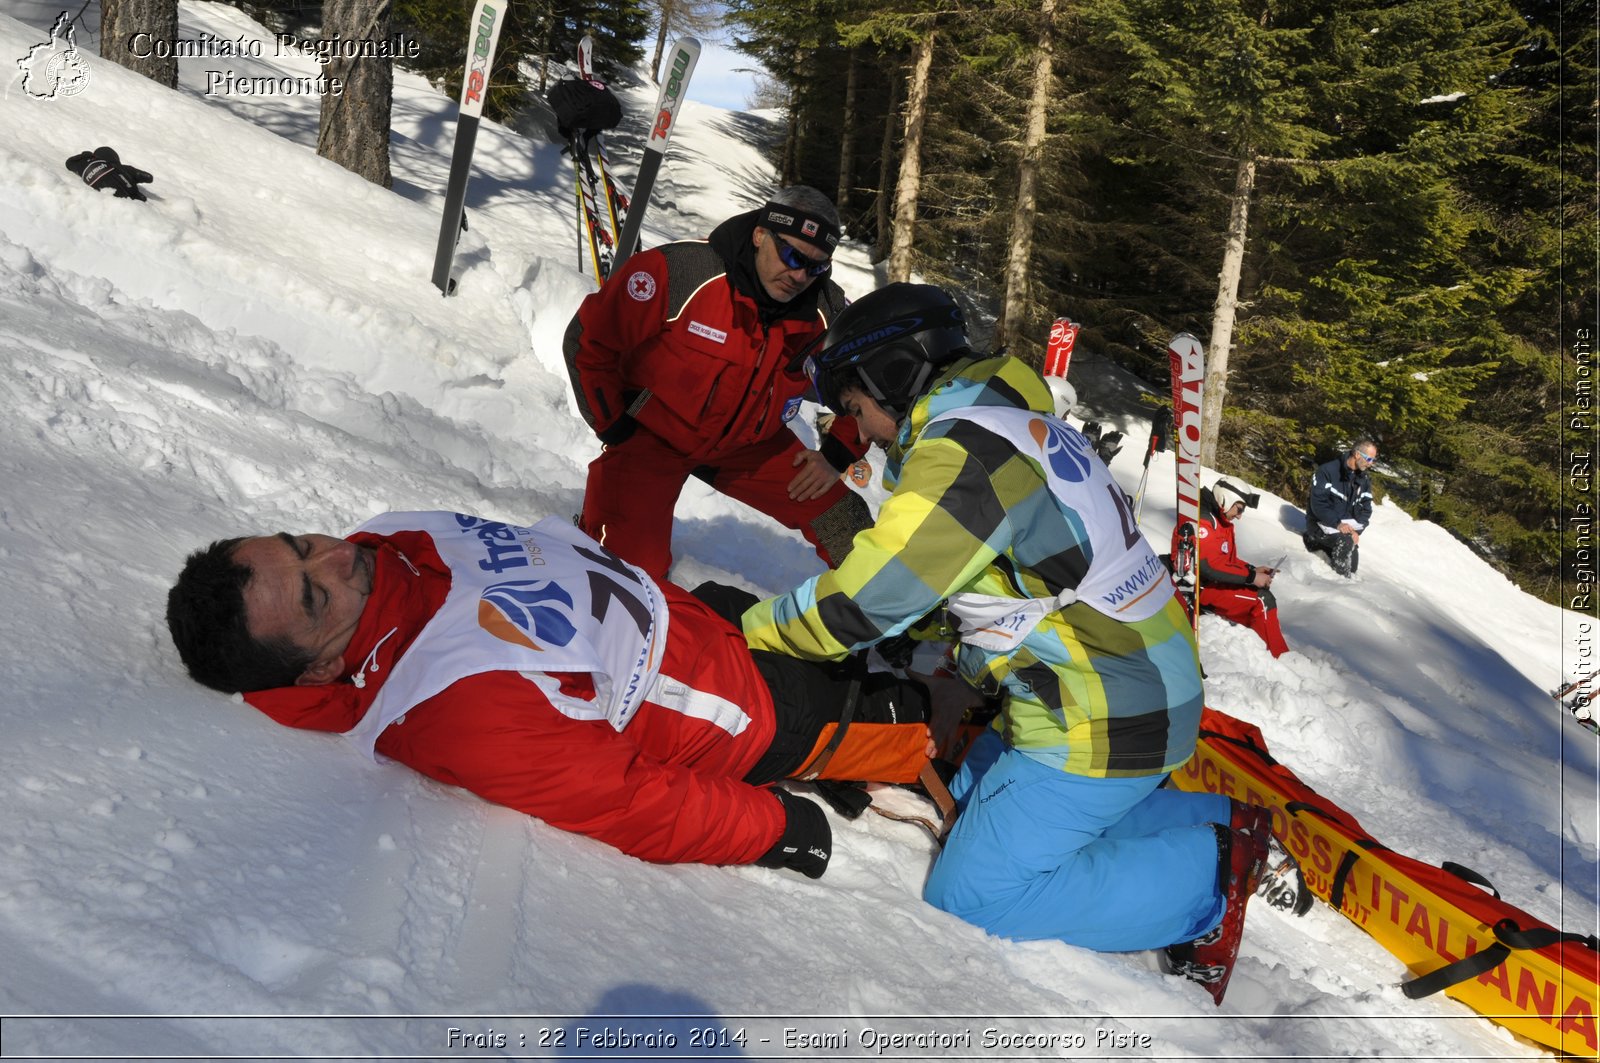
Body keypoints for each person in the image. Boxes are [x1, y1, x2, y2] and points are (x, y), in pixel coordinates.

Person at [740, 283, 1307, 1004]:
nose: (866, 432)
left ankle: (1209, 879)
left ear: (890, 375)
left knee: (973, 889)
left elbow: (865, 600)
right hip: (1127, 689)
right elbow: (996, 587)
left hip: (1105, 714)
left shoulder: (965, 451)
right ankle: (1228, 824)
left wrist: (750, 635)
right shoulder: (1008, 419)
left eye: (857, 408)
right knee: (974, 801)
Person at [164, 511, 946, 879]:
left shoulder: (396, 536)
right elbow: (628, 800)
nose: (337, 556)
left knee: (897, 641)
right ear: (313, 673)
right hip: (762, 716)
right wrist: (775, 825)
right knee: (928, 723)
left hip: (720, 619)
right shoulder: (451, 706)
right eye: (313, 597)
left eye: (302, 545)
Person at [562, 184, 872, 579]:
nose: (799, 276)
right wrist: (613, 424)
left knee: (843, 521)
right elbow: (589, 340)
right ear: (762, 234)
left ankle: (889, 616)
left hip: (750, 449)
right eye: (792, 256)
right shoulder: (682, 272)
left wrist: (836, 454)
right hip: (654, 438)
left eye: (816, 267)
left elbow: (869, 389)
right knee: (629, 575)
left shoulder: (824, 312)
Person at [1180, 480, 1290, 657]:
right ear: (1225, 499)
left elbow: (1226, 560)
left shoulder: (1220, 520)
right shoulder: (1204, 521)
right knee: (1262, 599)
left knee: (1259, 595)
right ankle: (1279, 656)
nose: (1239, 516)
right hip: (1201, 587)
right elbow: (1207, 566)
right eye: (1239, 509)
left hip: (1214, 584)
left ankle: (1261, 649)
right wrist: (1251, 576)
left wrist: (1253, 570)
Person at [1303, 439, 1377, 576]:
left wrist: (1356, 531)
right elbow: (1318, 504)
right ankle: (1340, 583)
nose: (1371, 463)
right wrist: (1337, 524)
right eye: (1369, 459)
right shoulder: (1327, 471)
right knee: (1345, 547)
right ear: (1357, 454)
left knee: (1352, 565)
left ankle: (1327, 548)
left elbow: (1366, 509)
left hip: (1345, 530)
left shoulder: (1363, 479)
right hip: (1321, 524)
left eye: (1373, 460)